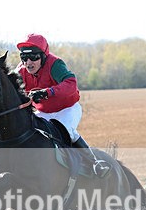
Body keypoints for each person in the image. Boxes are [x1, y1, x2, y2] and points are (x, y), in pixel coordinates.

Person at [16, 33, 110, 177]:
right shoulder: (21, 70)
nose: (28, 63)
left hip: (67, 109)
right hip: (44, 112)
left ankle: (95, 163)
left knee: (67, 131)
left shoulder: (55, 64)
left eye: (34, 57)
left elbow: (71, 84)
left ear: (43, 56)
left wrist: (48, 92)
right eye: (24, 58)